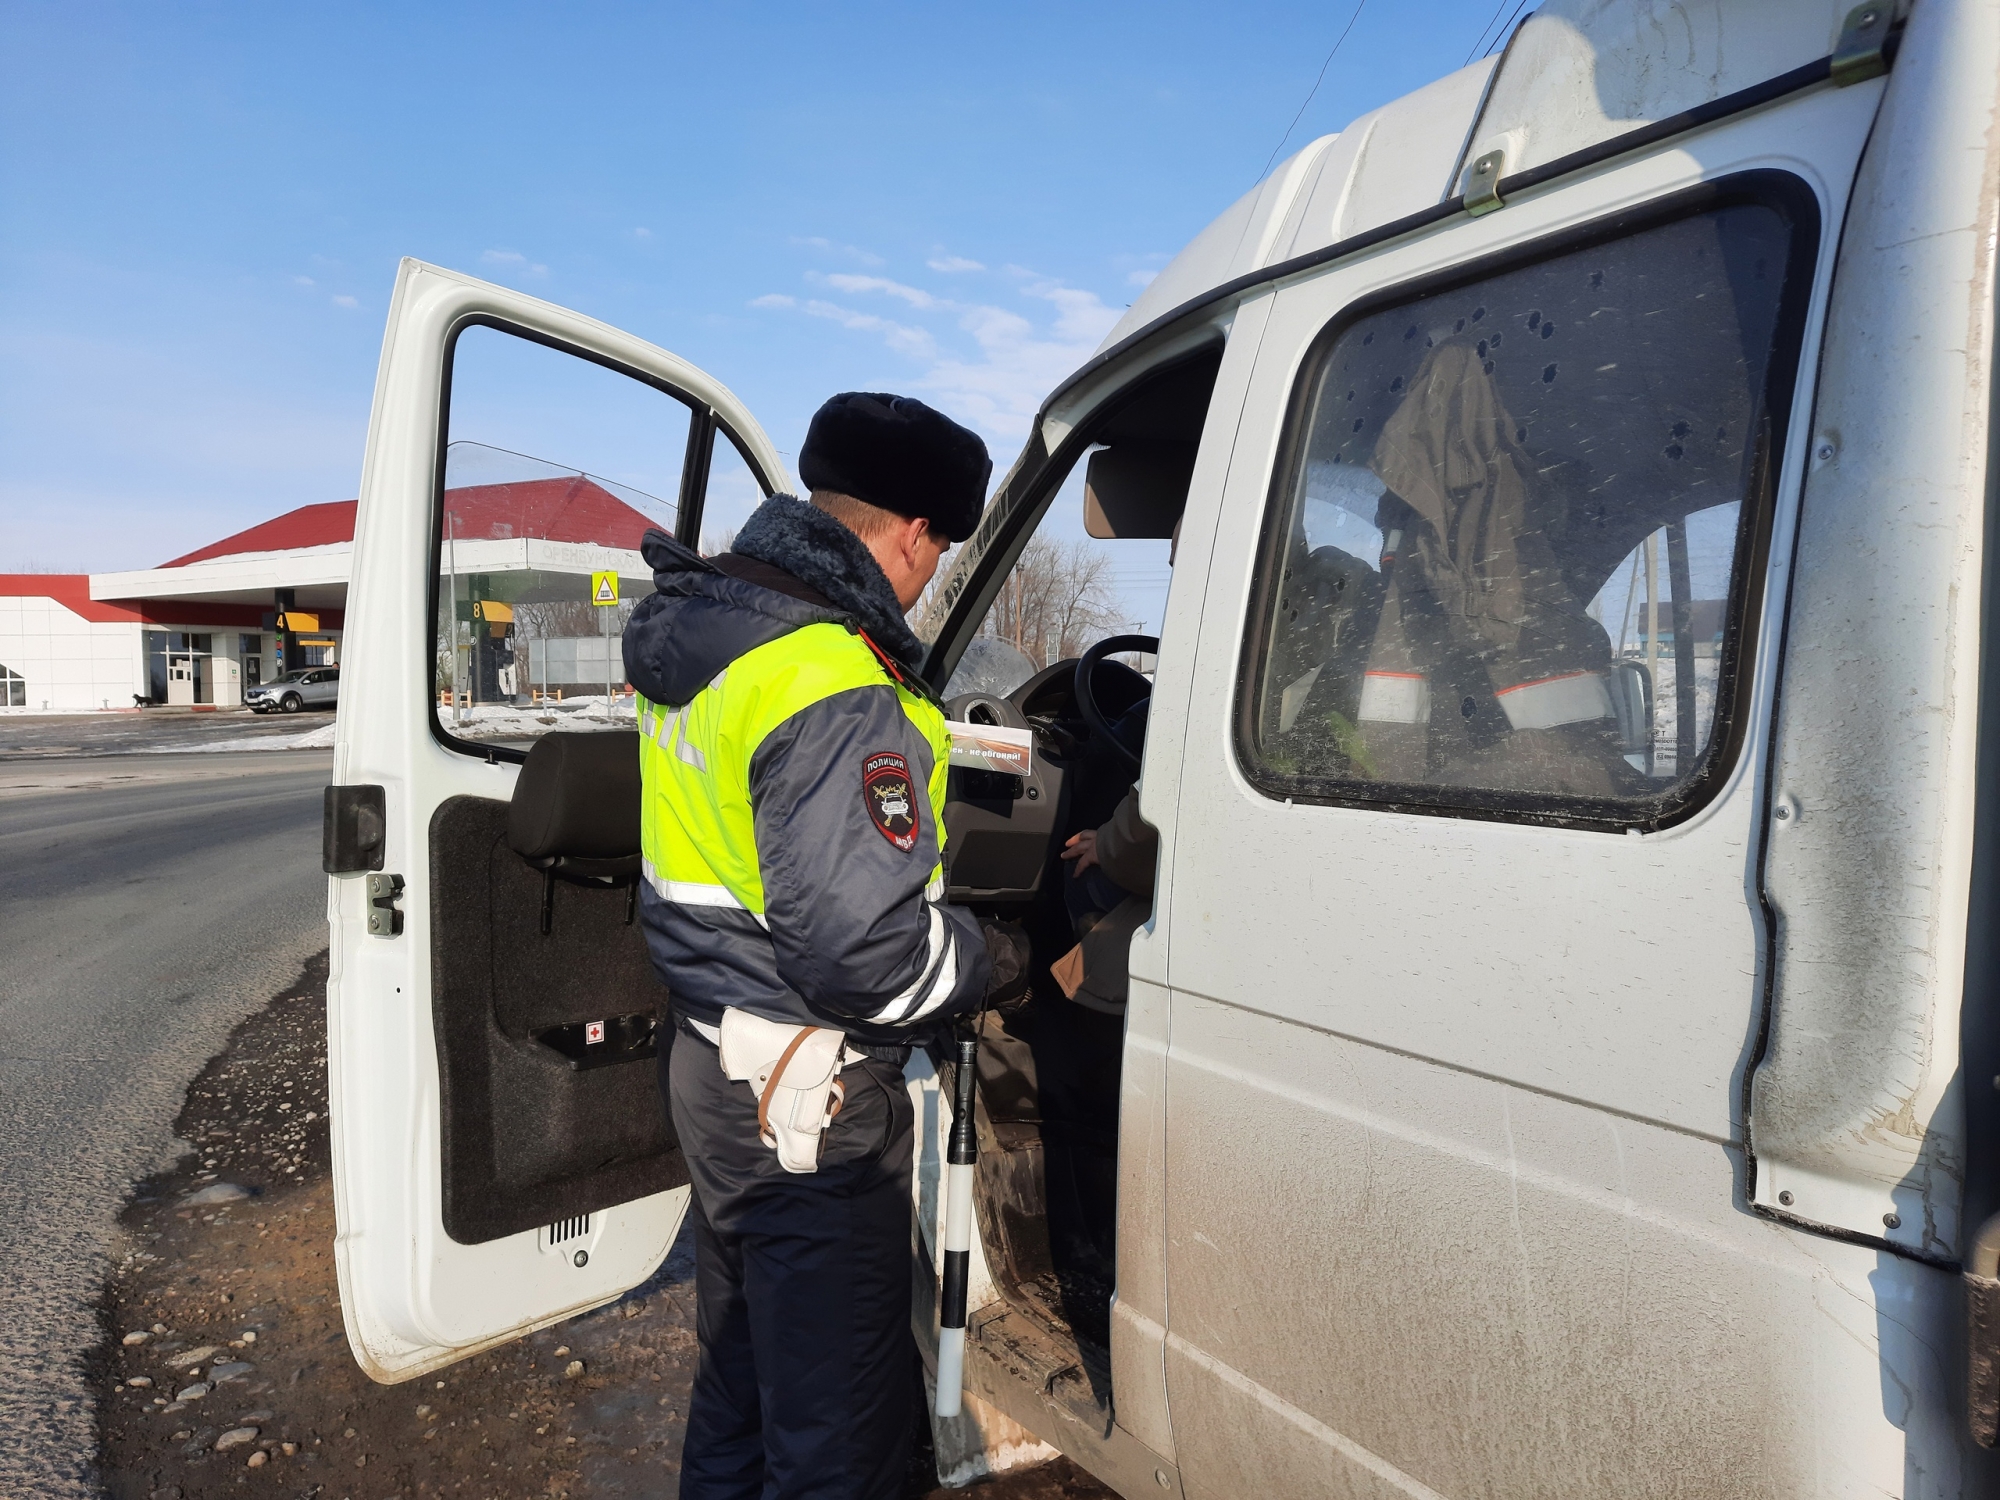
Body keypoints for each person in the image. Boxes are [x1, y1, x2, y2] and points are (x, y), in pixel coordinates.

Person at [622, 392, 1023, 1500]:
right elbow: (866, 959)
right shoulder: (834, 681)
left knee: (743, 1392)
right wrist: (993, 958)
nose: (926, 577)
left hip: (713, 1065)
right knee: (839, 1439)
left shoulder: (706, 635)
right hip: (806, 1105)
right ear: (910, 535)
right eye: (935, 554)